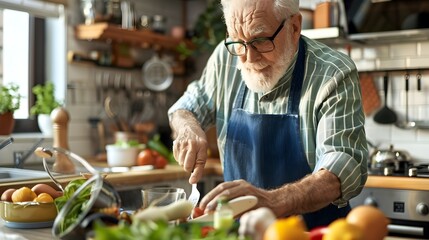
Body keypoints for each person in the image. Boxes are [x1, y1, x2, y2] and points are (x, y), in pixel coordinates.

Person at [168, 0, 368, 229]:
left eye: (260, 40)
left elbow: (343, 167)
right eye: (238, 42)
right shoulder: (226, 59)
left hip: (313, 233)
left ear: (294, 27)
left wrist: (273, 201)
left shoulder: (332, 73)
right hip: (243, 232)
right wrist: (188, 128)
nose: (249, 58)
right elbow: (185, 107)